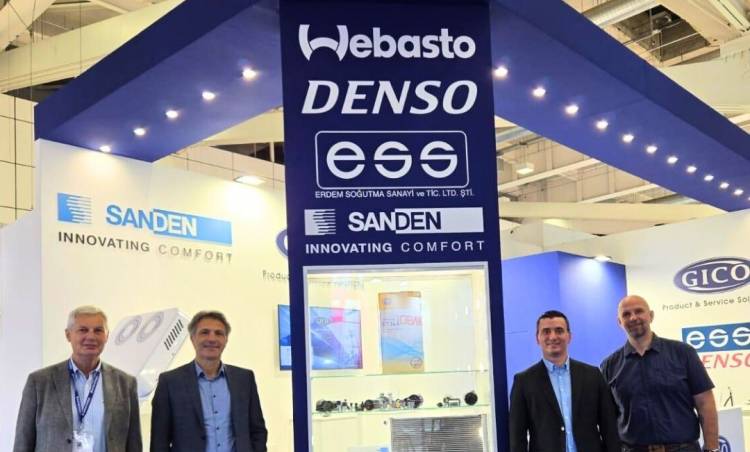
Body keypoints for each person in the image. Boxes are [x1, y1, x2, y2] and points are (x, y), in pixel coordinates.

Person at [13, 306, 142, 452]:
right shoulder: (39, 383)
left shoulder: (126, 384)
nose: (91, 337)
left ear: (106, 336)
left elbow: (134, 444)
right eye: (83, 330)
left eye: (98, 330)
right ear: (68, 335)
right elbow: (23, 442)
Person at [601, 295, 719, 452]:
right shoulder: (609, 365)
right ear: (619, 322)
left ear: (651, 316)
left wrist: (712, 448)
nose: (633, 318)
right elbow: (608, 417)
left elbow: (705, 403)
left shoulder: (683, 353)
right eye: (626, 314)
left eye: (639, 311)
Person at [150, 310, 267, 452]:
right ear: (192, 338)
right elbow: (159, 441)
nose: (212, 339)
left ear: (226, 340)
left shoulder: (244, 379)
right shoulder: (170, 382)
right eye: (204, 332)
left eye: (219, 333)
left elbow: (257, 431)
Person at [509, 310, 620, 452]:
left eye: (559, 331)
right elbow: (517, 438)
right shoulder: (523, 382)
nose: (553, 336)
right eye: (546, 331)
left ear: (569, 336)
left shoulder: (593, 375)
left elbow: (609, 427)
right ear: (537, 338)